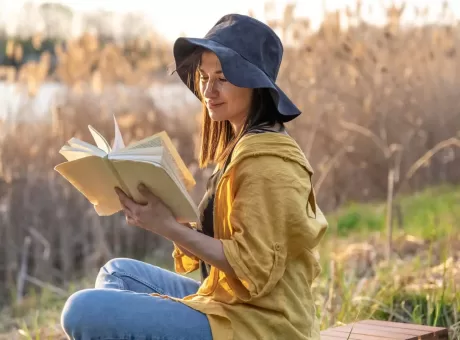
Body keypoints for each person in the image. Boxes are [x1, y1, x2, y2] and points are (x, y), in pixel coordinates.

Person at [60, 13, 328, 340]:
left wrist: (167, 227)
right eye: (203, 77)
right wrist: (165, 217)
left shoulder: (267, 163)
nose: (208, 90)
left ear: (255, 85)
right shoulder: (243, 143)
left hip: (264, 325)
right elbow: (229, 246)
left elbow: (254, 267)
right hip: (228, 301)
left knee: (82, 310)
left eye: (223, 78)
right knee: (117, 272)